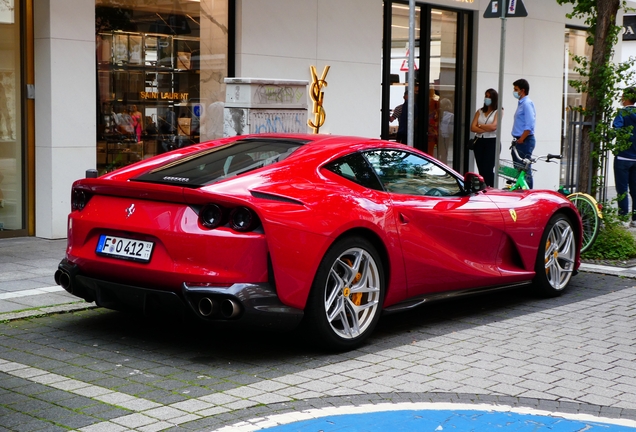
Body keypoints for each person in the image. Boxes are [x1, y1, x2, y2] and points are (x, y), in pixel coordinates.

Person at [612, 87, 636, 226]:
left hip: (623, 157)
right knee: (635, 189)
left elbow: (617, 130)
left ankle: (623, 218)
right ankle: (635, 219)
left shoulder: (622, 113)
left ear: (626, 98)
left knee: (622, 189)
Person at [470, 89, 500, 187]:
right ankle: (483, 188)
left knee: (488, 168)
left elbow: (494, 127)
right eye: (486, 96)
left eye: (489, 96)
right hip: (479, 141)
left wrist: (479, 126)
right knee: (481, 169)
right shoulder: (480, 111)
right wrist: (485, 127)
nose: (487, 98)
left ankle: (491, 187)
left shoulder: (498, 111)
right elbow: (472, 127)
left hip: (492, 142)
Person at [510, 78, 536, 189]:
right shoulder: (521, 103)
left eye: (516, 89)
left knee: (525, 170)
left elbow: (529, 125)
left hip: (524, 141)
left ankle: (528, 194)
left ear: (523, 90)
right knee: (519, 171)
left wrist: (521, 139)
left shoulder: (526, 104)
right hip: (519, 140)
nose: (514, 91)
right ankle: (522, 191)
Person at [438, 98, 453, 164]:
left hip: (443, 136)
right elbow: (451, 129)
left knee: (441, 153)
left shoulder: (450, 115)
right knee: (443, 153)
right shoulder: (450, 115)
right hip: (444, 136)